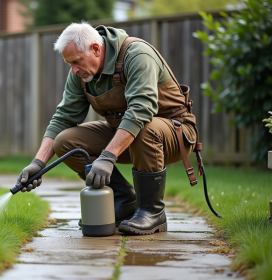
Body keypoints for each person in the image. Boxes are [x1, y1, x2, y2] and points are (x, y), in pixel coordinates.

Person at [16, 22, 201, 235]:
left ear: (95, 49)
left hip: (175, 134)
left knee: (144, 127)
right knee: (65, 141)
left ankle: (152, 212)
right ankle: (123, 200)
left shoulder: (137, 54)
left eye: (76, 61)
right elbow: (63, 118)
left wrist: (107, 157)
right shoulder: (81, 74)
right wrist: (38, 163)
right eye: (69, 64)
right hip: (127, 135)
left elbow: (140, 110)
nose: (74, 70)